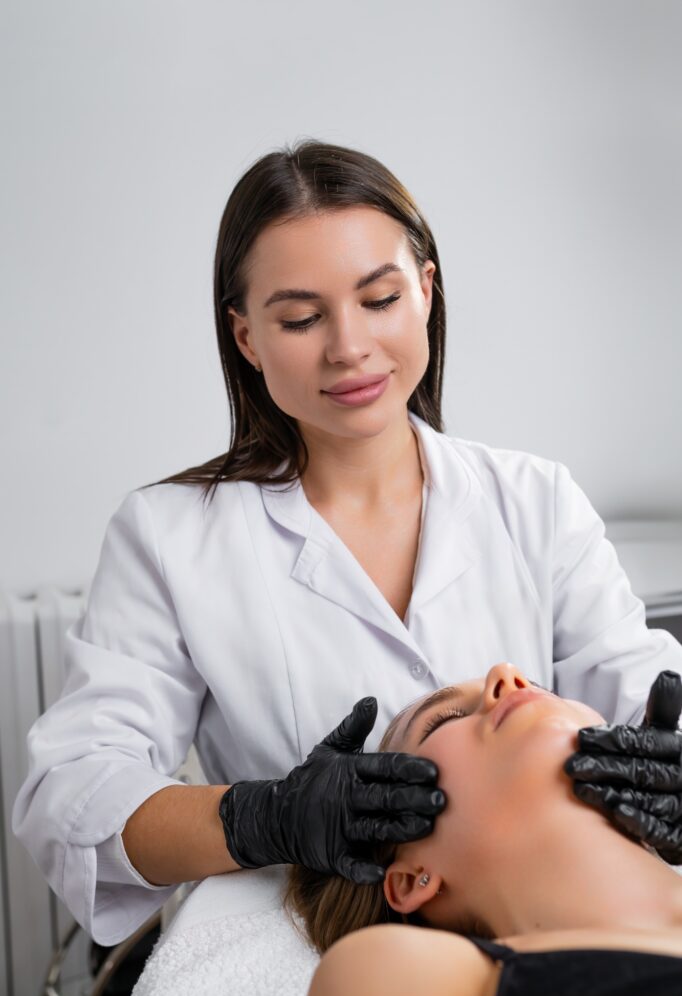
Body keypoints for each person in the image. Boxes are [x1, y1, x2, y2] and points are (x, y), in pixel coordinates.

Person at [12, 139, 682, 949]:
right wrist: (265, 817)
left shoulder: (535, 500)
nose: (349, 347)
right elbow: (72, 795)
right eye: (300, 318)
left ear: (426, 291)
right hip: (309, 938)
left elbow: (638, 693)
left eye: (379, 299)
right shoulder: (169, 535)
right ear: (247, 338)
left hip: (550, 915)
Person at [300, 663, 682, 996]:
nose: (508, 674)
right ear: (412, 876)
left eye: (542, 686)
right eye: (445, 719)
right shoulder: (418, 982)